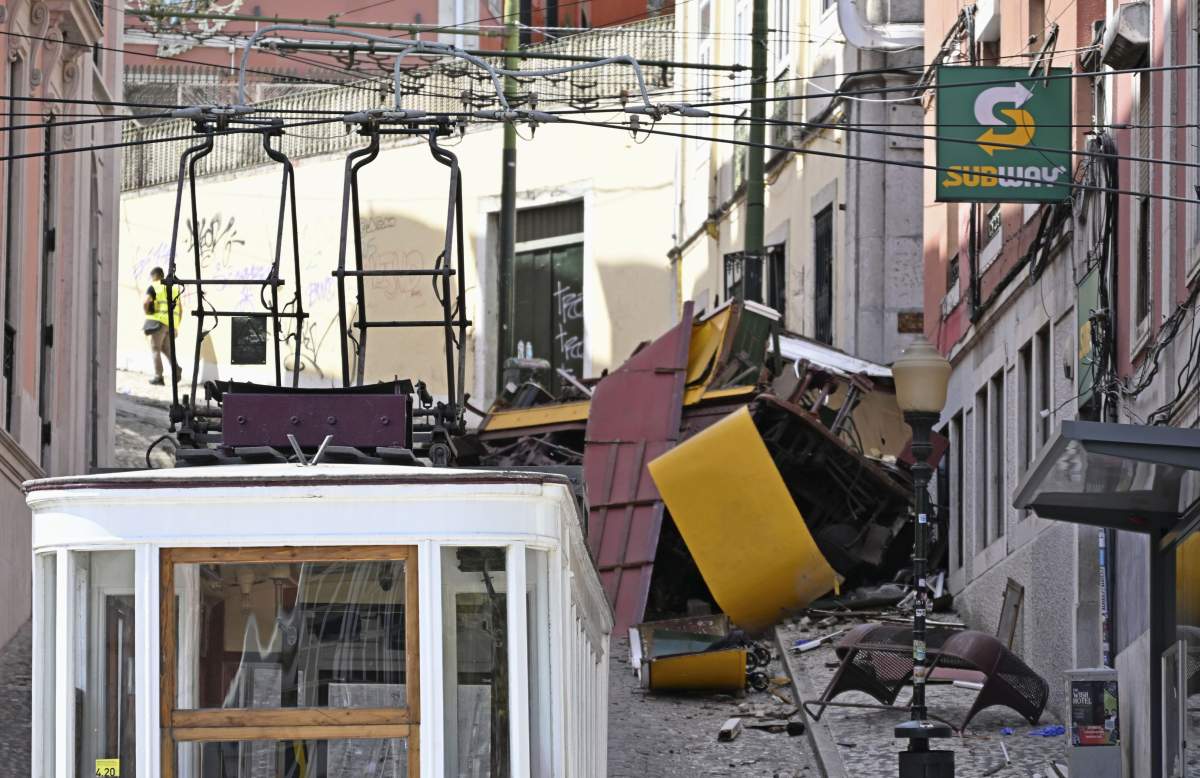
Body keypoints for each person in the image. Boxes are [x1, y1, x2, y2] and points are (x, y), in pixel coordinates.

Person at [143, 267, 181, 385]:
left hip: (158, 323)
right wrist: (176, 326)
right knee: (166, 349)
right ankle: (176, 370)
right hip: (171, 324)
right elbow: (181, 309)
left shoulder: (154, 286)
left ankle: (158, 377)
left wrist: (148, 313)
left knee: (155, 349)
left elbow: (146, 302)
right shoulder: (174, 289)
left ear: (155, 276)